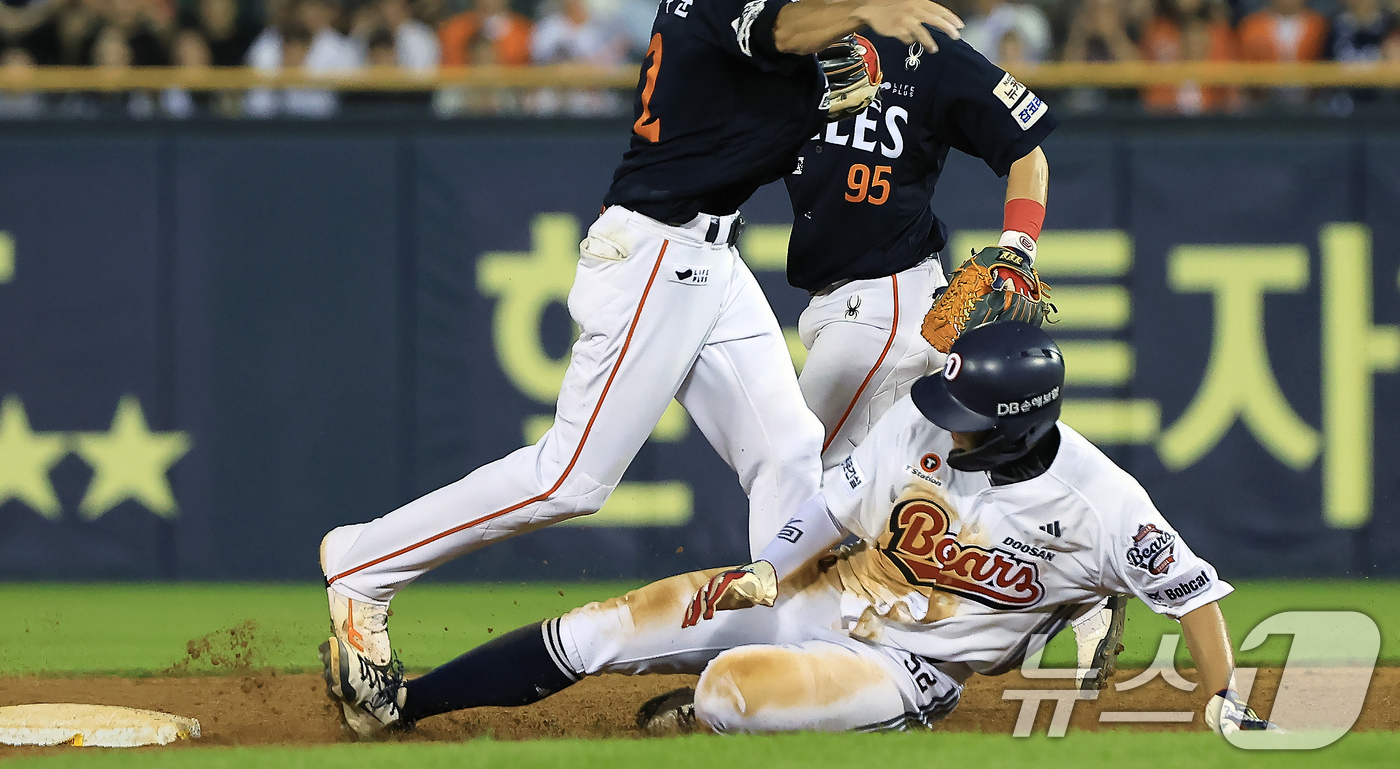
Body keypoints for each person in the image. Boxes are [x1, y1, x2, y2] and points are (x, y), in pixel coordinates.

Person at [318, 0, 964, 739]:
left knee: (787, 452)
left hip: (709, 258)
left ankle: (822, 647)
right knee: (570, 480)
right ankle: (362, 566)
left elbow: (774, 74)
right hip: (656, 252)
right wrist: (861, 16)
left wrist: (828, 70)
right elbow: (778, 30)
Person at [325, 321, 1273, 740]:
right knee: (615, 624)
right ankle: (405, 707)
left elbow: (1196, 594)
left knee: (731, 692)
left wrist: (1224, 698)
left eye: (967, 411)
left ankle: (707, 710)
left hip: (910, 664)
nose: (944, 416)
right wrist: (766, 572)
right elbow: (828, 506)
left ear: (1018, 421)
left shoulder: (1103, 501)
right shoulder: (919, 424)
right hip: (835, 588)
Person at [791, 0, 1114, 684]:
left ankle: (773, 657)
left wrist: (1019, 247)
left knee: (795, 487)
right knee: (921, 486)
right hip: (834, 305)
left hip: (892, 302)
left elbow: (1026, 148)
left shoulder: (924, 44)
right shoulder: (789, 38)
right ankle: (1080, 580)